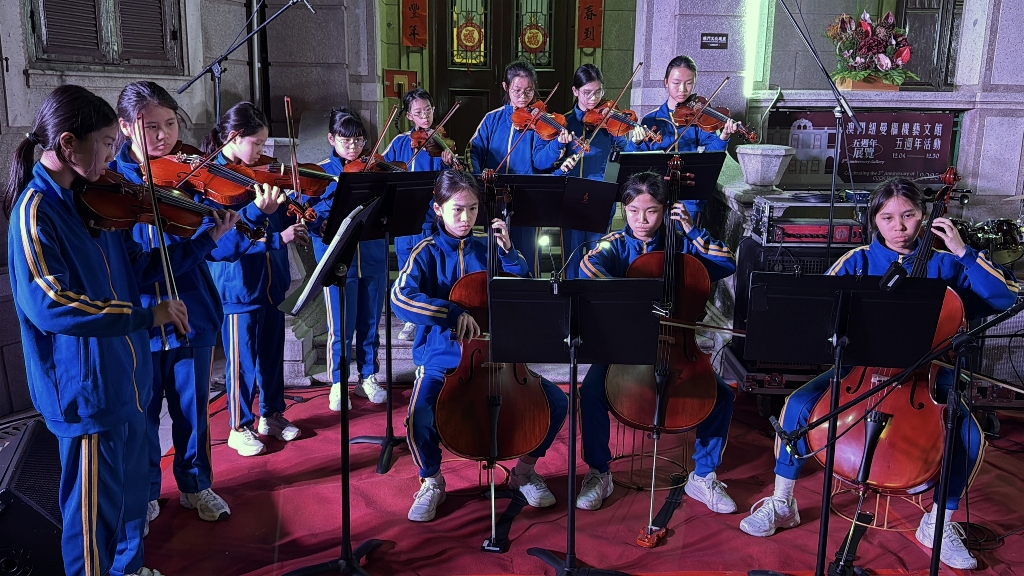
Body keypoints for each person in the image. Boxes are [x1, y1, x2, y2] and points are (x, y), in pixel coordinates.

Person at [738, 179, 1020, 570]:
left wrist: (963, 251)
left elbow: (1006, 297)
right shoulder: (856, 262)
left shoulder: (949, 264)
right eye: (887, 218)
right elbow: (818, 315)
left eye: (909, 215)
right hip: (861, 370)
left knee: (968, 435)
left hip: (928, 374)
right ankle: (782, 501)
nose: (899, 226)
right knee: (798, 405)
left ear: (924, 216)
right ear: (875, 220)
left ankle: (938, 522)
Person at [4, 84, 228, 576]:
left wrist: (204, 240)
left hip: (124, 378)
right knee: (91, 518)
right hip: (85, 393)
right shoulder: (36, 210)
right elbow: (51, 304)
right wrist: (146, 316)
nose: (113, 155)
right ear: (68, 144)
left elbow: (139, 267)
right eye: (107, 143)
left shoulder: (91, 201)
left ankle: (128, 569)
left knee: (128, 502)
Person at [390, 170, 569, 522]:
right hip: (443, 360)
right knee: (419, 418)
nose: (466, 218)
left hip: (499, 357)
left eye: (473, 209)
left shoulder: (489, 248)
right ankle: (432, 480)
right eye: (457, 209)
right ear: (438, 209)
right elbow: (400, 297)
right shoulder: (425, 252)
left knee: (557, 403)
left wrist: (509, 252)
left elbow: (525, 289)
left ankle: (524, 473)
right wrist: (449, 312)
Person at [110, 81, 237, 528]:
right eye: (151, 127)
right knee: (142, 414)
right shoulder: (110, 183)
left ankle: (196, 484)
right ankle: (146, 491)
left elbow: (218, 248)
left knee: (192, 410)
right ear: (126, 127)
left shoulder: (188, 175)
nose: (164, 136)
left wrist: (232, 225)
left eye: (170, 124)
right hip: (140, 319)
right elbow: (136, 267)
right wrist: (203, 243)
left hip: (192, 313)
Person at [577, 171, 738, 514]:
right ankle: (599, 471)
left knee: (722, 395)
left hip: (679, 347)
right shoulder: (614, 244)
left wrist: (692, 230)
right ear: (624, 209)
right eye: (633, 211)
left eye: (651, 211)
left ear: (666, 210)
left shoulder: (681, 244)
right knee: (590, 391)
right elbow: (587, 268)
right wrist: (632, 296)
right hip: (625, 344)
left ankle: (703, 475)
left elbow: (726, 263)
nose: (641, 220)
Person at [202, 102, 310, 456]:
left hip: (271, 282)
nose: (262, 152)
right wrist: (270, 227)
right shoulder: (213, 181)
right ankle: (239, 425)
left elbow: (277, 221)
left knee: (271, 356)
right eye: (257, 144)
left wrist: (291, 211)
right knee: (242, 362)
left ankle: (272, 415)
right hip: (238, 286)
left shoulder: (258, 175)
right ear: (234, 138)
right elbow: (225, 242)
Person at [311, 108, 388, 411]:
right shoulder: (318, 173)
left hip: (372, 254)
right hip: (338, 259)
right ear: (332, 139)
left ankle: (368, 376)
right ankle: (338, 382)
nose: (354, 147)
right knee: (341, 326)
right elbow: (307, 212)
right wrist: (319, 220)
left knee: (370, 322)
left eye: (359, 140)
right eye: (346, 141)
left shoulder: (374, 168)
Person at [468, 59, 574, 275]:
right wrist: (479, 178)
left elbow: (540, 162)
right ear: (506, 87)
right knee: (494, 254)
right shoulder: (492, 119)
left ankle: (529, 295)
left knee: (527, 256)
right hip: (495, 197)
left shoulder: (540, 121)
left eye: (529, 91)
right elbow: (473, 151)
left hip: (528, 198)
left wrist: (557, 144)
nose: (523, 96)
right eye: (517, 90)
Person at [382, 88, 457, 342]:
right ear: (409, 116)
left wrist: (448, 162)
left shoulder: (441, 143)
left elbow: (450, 182)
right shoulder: (400, 142)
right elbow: (383, 166)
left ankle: (434, 317)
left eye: (428, 110)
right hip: (405, 218)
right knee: (407, 268)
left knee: (431, 267)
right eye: (418, 112)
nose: (424, 116)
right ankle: (410, 319)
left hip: (431, 219)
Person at [557, 64, 644, 279]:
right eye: (587, 93)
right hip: (571, 199)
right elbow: (552, 161)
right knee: (571, 260)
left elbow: (625, 154)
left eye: (598, 92)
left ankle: (595, 297)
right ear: (575, 91)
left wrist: (635, 143)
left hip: (601, 196)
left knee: (598, 257)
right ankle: (571, 297)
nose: (593, 99)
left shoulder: (610, 123)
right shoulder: (564, 123)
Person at [640, 55, 738, 220]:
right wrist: (636, 143)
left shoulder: (700, 118)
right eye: (676, 83)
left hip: (689, 198)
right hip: (657, 197)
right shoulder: (651, 119)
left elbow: (711, 155)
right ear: (666, 82)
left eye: (689, 83)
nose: (682, 89)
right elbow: (640, 160)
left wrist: (723, 136)